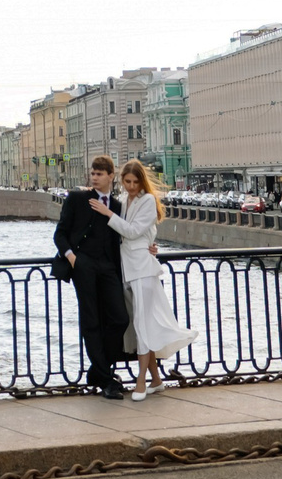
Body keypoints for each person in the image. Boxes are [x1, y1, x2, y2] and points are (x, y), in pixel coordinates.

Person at [97, 158, 192, 399]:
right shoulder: (127, 201)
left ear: (142, 181)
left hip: (143, 271)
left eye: (135, 182)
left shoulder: (147, 200)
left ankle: (141, 382)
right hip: (129, 270)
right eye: (126, 181)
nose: (130, 186)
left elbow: (131, 231)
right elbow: (142, 234)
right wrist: (150, 243)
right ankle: (157, 380)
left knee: (142, 325)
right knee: (141, 327)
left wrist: (108, 213)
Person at [55, 155, 130, 399]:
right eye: (93, 173)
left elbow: (127, 235)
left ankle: (99, 372)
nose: (94, 177)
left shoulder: (117, 206)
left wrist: (150, 247)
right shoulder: (78, 198)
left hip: (108, 267)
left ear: (111, 176)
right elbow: (60, 234)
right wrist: (72, 257)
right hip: (83, 265)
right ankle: (106, 380)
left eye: (99, 174)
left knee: (119, 319)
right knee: (91, 321)